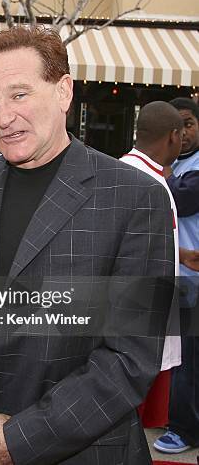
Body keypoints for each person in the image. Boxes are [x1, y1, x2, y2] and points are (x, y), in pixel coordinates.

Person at [0, 26, 175, 464]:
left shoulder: (134, 198)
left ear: (63, 91)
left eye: (19, 95)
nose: (3, 118)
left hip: (81, 448)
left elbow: (130, 356)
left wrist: (19, 437)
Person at [120, 101, 183, 428]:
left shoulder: (138, 174)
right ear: (174, 137)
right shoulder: (140, 179)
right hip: (136, 332)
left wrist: (180, 253)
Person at [154, 97, 199, 454]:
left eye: (189, 123)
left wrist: (157, 174)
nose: (183, 133)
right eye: (177, 126)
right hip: (173, 275)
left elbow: (182, 199)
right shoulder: (170, 164)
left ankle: (183, 427)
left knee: (186, 359)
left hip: (193, 278)